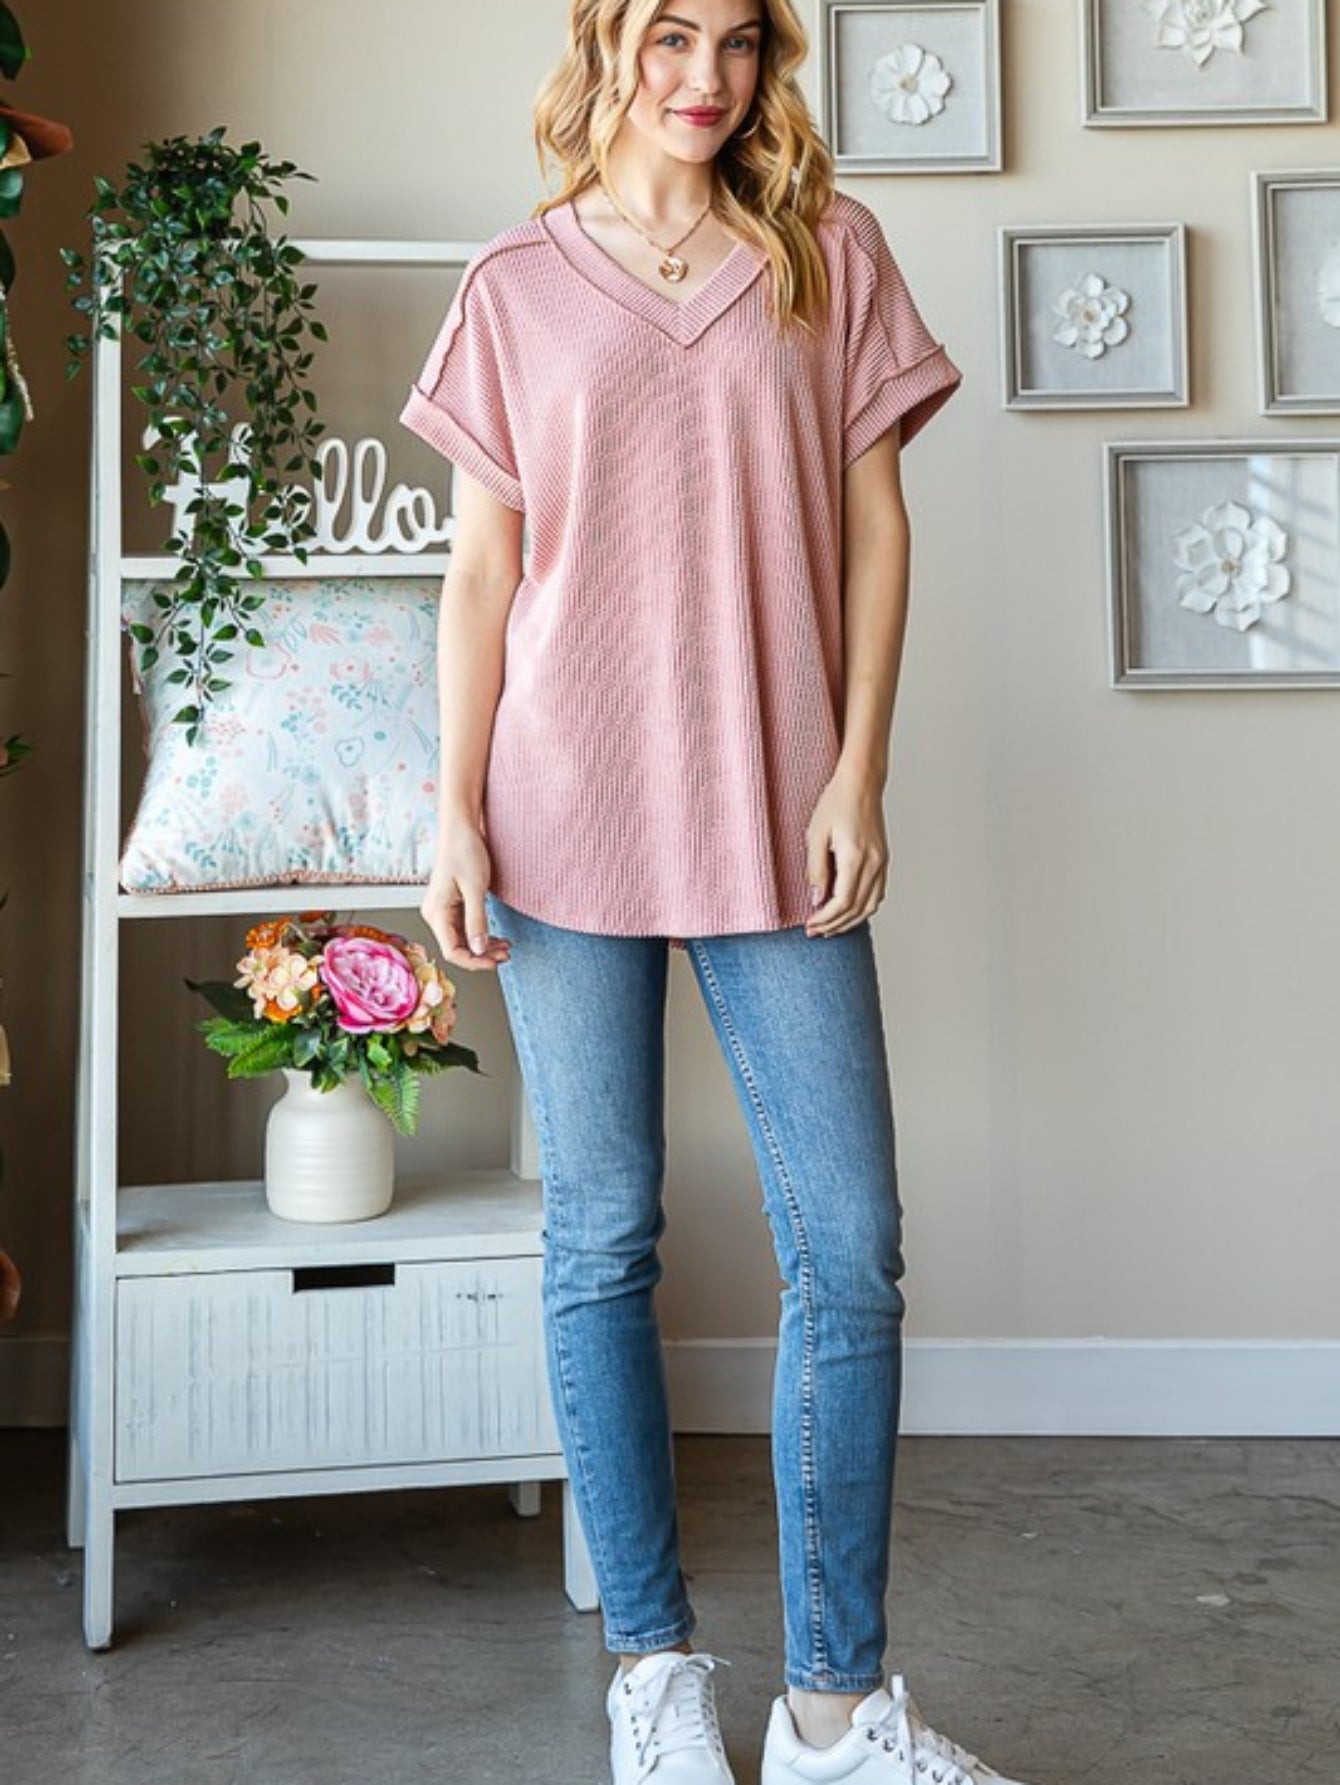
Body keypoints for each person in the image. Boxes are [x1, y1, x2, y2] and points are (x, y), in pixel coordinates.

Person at [402, 4, 1036, 1782]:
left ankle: (834, 1710)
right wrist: (452, 811)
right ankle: (653, 1672)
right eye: (668, 34)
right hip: (561, 810)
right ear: (606, 42)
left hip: (777, 805)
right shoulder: (515, 285)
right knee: (601, 1238)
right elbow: (481, 573)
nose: (705, 77)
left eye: (740, 40)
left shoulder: (828, 251)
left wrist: (859, 766)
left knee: (851, 1246)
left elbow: (878, 524)